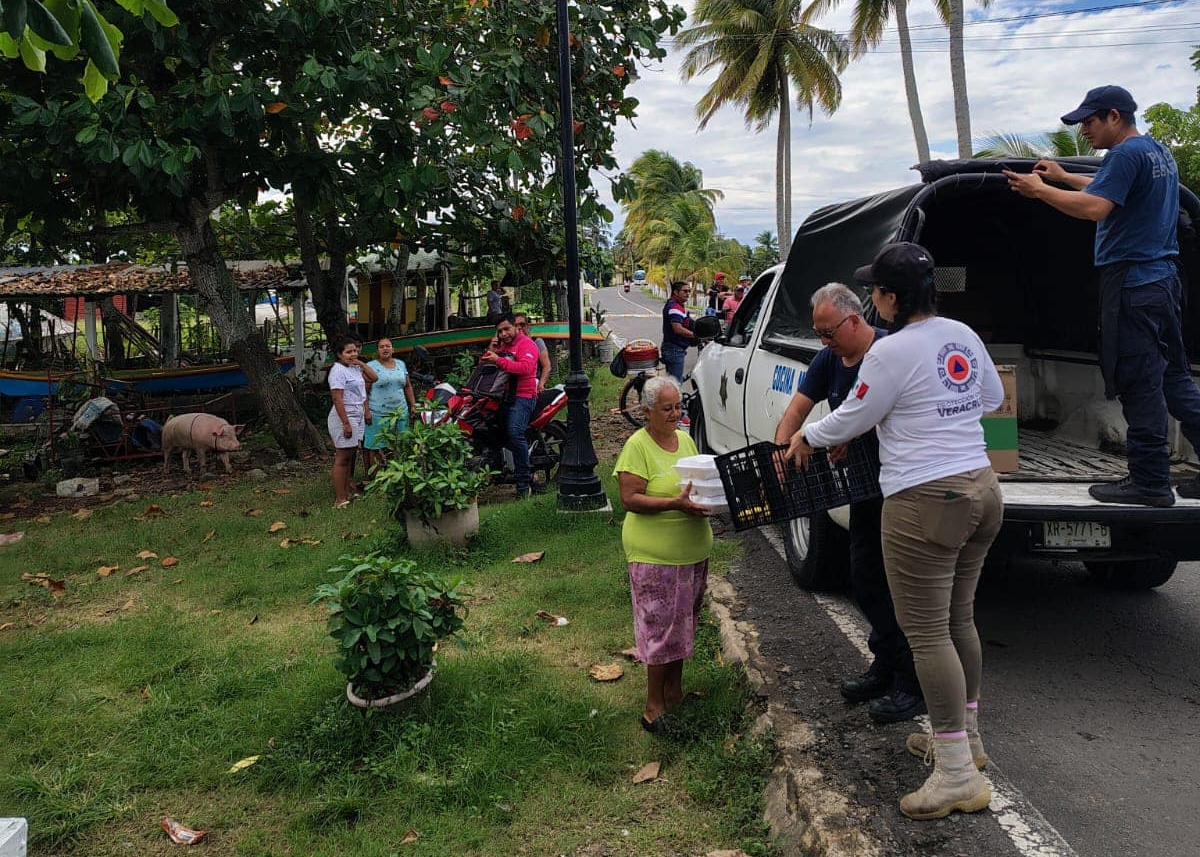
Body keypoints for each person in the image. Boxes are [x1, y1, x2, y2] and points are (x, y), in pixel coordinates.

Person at [787, 243, 1004, 821]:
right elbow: (993, 398)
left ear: (887, 297)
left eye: (876, 290)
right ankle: (966, 741)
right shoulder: (963, 333)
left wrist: (807, 438)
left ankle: (956, 774)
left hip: (925, 500)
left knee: (928, 634)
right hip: (982, 487)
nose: (875, 299)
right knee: (960, 620)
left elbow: (853, 416)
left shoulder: (890, 352)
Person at [1003, 85, 1200, 506]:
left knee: (1139, 381)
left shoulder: (1125, 155)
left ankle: (1148, 482)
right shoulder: (1155, 152)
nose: (1085, 131)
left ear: (1114, 116)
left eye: (1089, 122)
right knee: (1175, 379)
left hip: (1132, 284)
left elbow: (1095, 208)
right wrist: (1062, 177)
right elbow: (1107, 187)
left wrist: (1039, 191)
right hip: (1163, 282)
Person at [773, 282, 924, 724]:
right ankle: (886, 662)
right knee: (865, 579)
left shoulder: (890, 353)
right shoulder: (828, 360)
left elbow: (900, 410)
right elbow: (798, 409)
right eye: (818, 333)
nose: (823, 341)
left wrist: (851, 432)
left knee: (903, 586)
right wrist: (781, 450)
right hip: (863, 489)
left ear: (855, 319)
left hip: (902, 487)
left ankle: (912, 682)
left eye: (829, 332)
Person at [614, 376, 712, 734]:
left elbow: (697, 482)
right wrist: (675, 503)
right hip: (655, 559)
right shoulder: (637, 447)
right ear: (647, 412)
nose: (675, 414)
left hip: (692, 554)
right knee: (659, 631)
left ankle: (675, 692)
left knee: (682, 627)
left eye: (678, 407)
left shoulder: (685, 440)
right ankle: (653, 707)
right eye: (667, 408)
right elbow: (630, 499)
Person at [480, 314, 538, 498]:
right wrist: (492, 349)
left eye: (506, 329)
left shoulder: (527, 344)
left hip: (524, 397)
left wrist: (498, 360)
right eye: (499, 331)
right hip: (503, 397)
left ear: (516, 327)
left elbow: (525, 368)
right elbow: (483, 367)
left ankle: (523, 484)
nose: (503, 334)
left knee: (514, 434)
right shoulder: (503, 346)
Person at [327, 336, 377, 508]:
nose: (353, 354)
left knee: (349, 456)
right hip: (344, 416)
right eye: (348, 352)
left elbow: (373, 377)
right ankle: (339, 499)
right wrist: (346, 423)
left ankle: (346, 491)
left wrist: (361, 363)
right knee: (342, 457)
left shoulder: (355, 368)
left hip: (357, 414)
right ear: (339, 354)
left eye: (355, 350)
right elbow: (337, 398)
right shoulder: (337, 370)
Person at [362, 337, 416, 475]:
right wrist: (366, 411)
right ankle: (377, 478)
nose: (385, 349)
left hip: (400, 413)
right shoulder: (371, 366)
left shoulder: (400, 364)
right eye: (381, 347)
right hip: (378, 414)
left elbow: (408, 386)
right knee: (377, 447)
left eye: (388, 346)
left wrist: (413, 405)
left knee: (399, 445)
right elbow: (363, 392)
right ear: (378, 351)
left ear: (393, 349)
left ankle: (396, 475)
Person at [661, 281, 697, 383]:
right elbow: (678, 328)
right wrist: (695, 336)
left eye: (689, 291)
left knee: (672, 382)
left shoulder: (676, 305)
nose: (688, 294)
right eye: (685, 291)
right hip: (674, 350)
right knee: (676, 385)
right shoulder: (675, 307)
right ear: (676, 292)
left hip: (673, 349)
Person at [514, 312, 552, 392]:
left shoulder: (537, 342)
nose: (519, 327)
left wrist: (541, 384)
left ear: (527, 326)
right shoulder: (510, 344)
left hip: (533, 382)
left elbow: (546, 366)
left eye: (522, 324)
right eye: (516, 325)